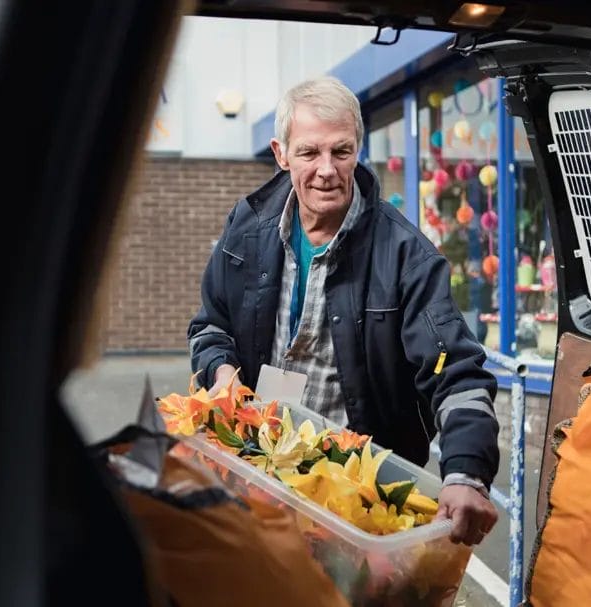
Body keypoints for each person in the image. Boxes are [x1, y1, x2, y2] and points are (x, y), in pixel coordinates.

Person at [188, 76, 499, 545]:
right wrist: (221, 372)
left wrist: (465, 474)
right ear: (281, 153)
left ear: (359, 149)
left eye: (342, 151)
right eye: (309, 153)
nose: (327, 170)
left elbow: (455, 372)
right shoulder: (247, 226)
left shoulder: (406, 256)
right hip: (255, 468)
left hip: (358, 500)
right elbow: (209, 326)